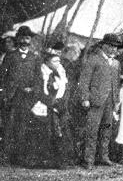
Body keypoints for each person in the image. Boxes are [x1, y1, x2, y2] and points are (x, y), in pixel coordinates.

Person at [26, 43, 75, 168]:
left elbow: (65, 88)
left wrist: (61, 102)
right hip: (44, 106)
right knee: (44, 133)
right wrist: (50, 102)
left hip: (58, 105)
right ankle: (42, 160)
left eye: (59, 60)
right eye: (54, 60)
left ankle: (60, 160)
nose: (57, 63)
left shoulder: (60, 71)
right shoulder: (41, 72)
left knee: (61, 132)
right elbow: (38, 91)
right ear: (47, 61)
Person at [78, 33, 122, 168]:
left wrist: (116, 101)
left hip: (110, 101)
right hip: (96, 101)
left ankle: (104, 157)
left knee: (106, 130)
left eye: (115, 47)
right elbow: (84, 81)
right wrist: (85, 98)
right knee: (92, 130)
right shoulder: (93, 59)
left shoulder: (116, 63)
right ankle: (88, 160)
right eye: (110, 46)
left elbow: (116, 83)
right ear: (103, 45)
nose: (113, 49)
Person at [0, 26, 41, 165]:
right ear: (18, 39)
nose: (24, 40)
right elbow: (2, 77)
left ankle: (19, 158)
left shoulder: (35, 58)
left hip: (26, 98)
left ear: (31, 40)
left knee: (22, 127)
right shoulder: (10, 56)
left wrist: (33, 89)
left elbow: (38, 79)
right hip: (11, 97)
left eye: (27, 38)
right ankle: (4, 157)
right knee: (8, 127)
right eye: (22, 37)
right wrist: (5, 94)